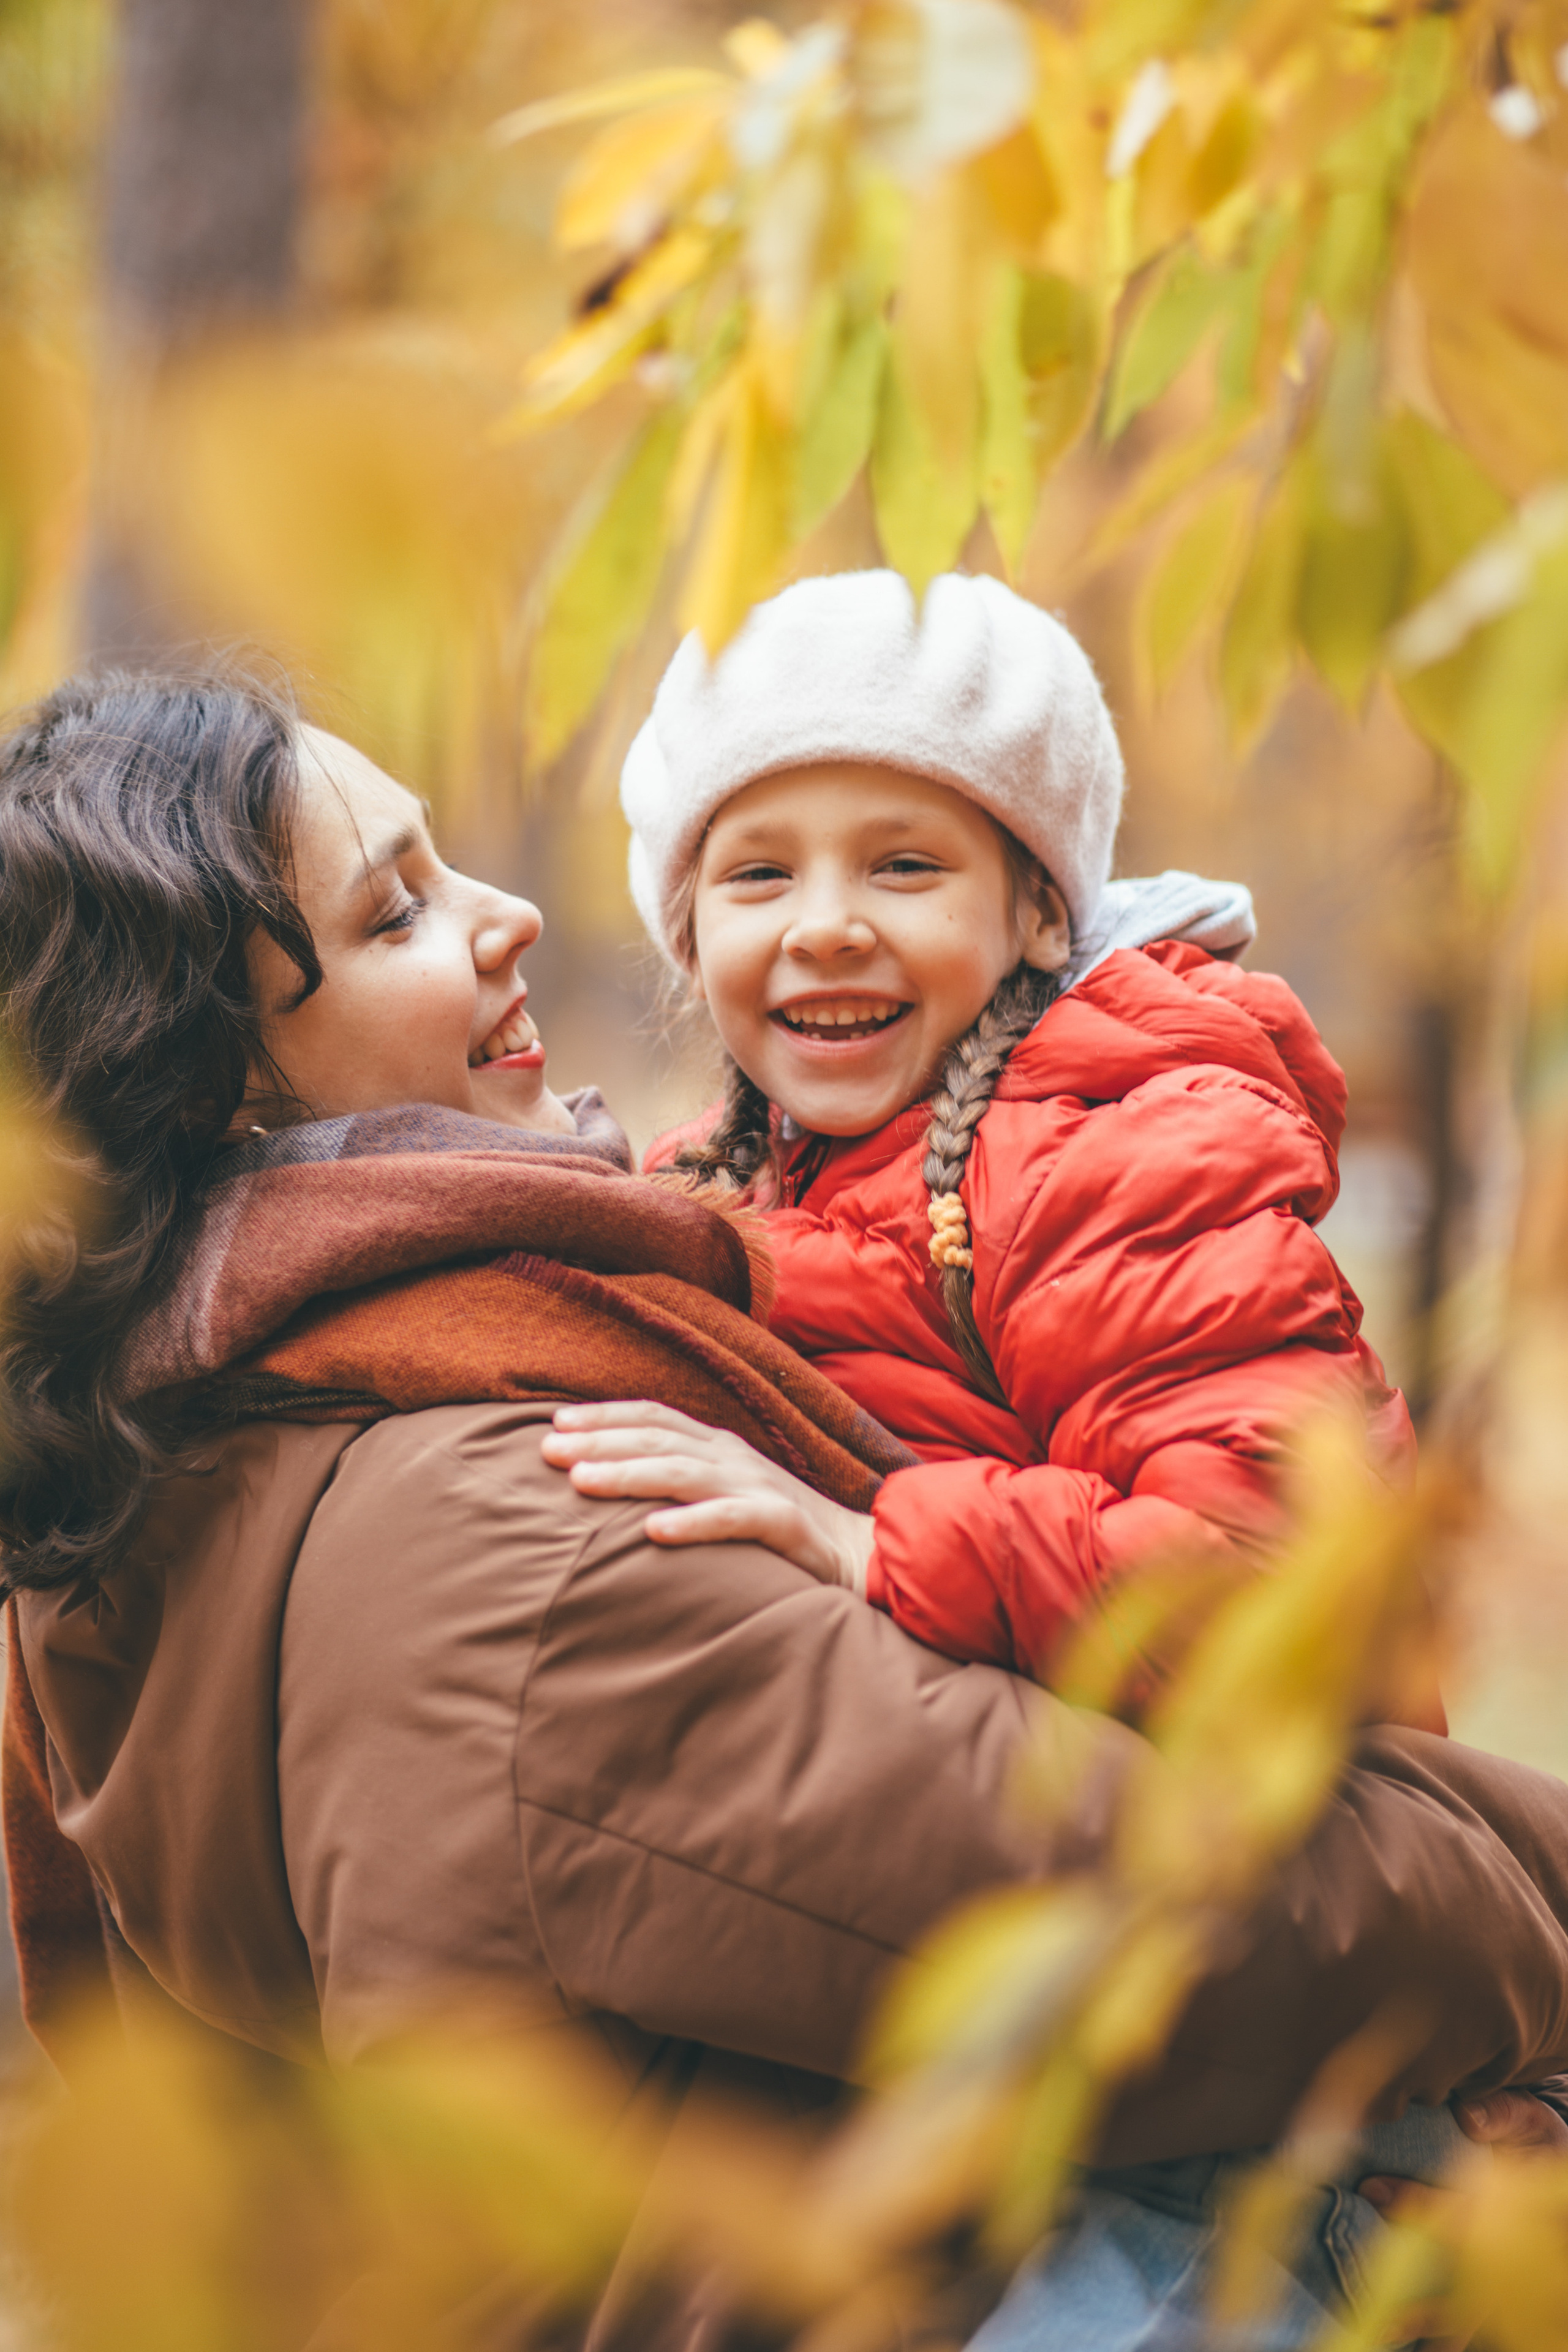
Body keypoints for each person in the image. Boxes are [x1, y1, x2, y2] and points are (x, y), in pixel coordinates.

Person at [4, 671, 1568, 2352]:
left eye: (449, 864)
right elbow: (1163, 1937)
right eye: (396, 914)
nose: (512, 914)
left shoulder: (131, 1504)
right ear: (212, 1088)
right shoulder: (523, 1526)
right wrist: (1537, 1885)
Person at [578, 568, 1423, 1714]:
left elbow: (1279, 1588)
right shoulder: (718, 1174)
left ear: (1038, 911)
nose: (824, 925)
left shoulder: (1106, 1154)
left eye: (906, 864)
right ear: (692, 933)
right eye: (759, 874)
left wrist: (871, 1544)